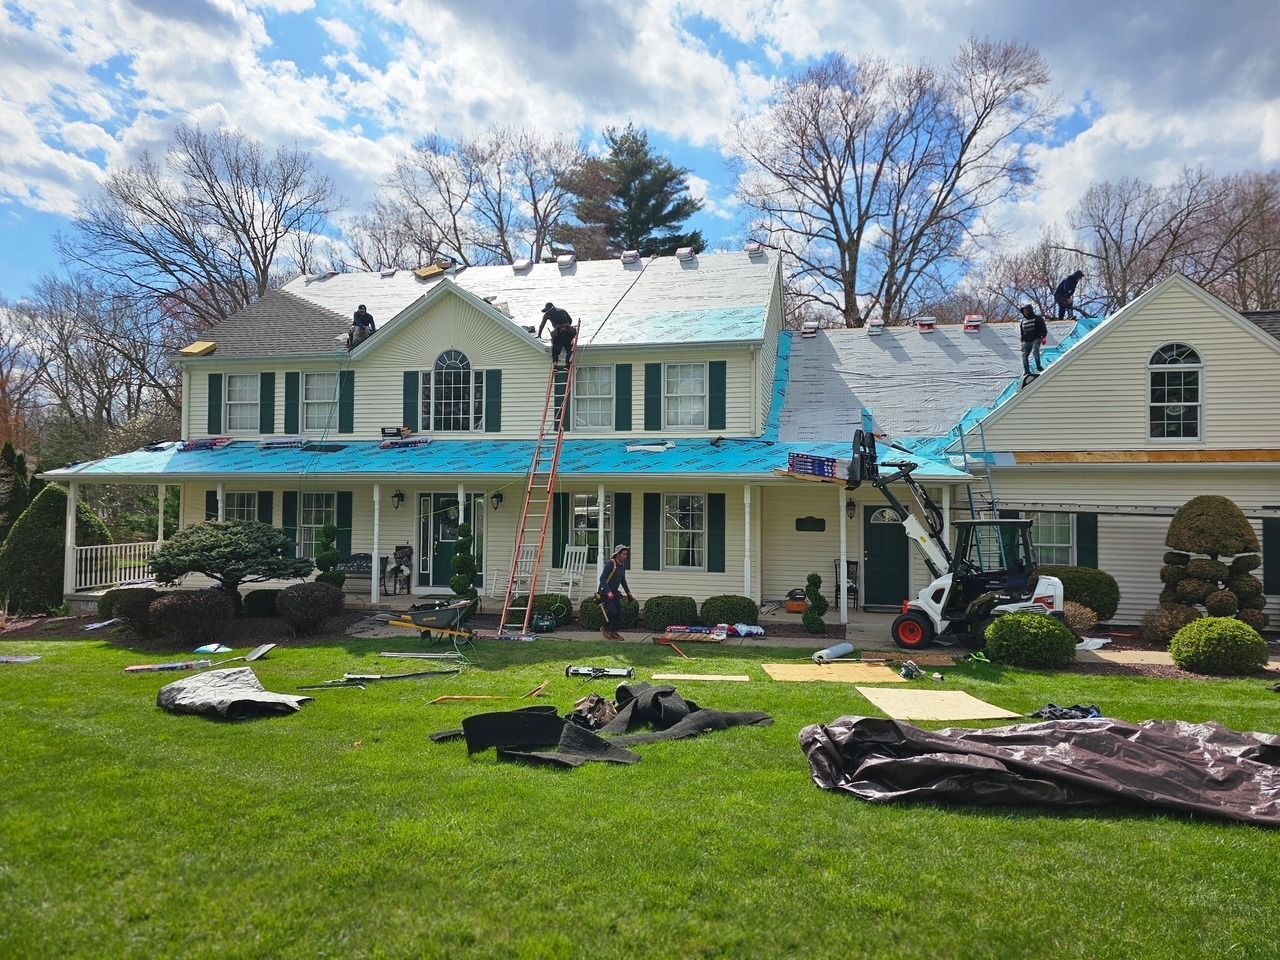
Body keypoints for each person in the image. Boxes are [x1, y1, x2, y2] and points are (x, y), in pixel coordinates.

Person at [596, 544, 636, 641]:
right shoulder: (610, 564)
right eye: (623, 554)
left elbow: (623, 580)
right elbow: (602, 579)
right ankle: (605, 627)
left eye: (626, 555)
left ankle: (613, 632)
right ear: (617, 554)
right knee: (612, 613)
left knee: (618, 614)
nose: (625, 557)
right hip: (605, 592)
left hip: (615, 593)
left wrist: (628, 592)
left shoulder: (622, 566)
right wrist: (608, 592)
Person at [537, 302, 576, 368]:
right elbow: (570, 320)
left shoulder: (547, 313)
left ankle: (555, 364)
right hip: (568, 332)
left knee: (555, 349)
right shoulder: (562, 310)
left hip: (558, 333)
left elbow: (542, 325)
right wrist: (566, 326)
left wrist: (539, 334)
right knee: (569, 348)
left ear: (548, 308)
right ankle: (567, 363)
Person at [1018, 304, 1048, 376]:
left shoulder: (1038, 318)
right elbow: (1022, 333)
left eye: (1026, 311)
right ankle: (1027, 371)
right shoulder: (1022, 321)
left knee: (1035, 351)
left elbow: (1043, 328)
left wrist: (1043, 337)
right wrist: (1022, 342)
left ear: (1030, 310)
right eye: (1024, 311)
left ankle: (1038, 366)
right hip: (1027, 340)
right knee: (1024, 356)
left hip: (1036, 338)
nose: (1025, 312)